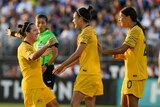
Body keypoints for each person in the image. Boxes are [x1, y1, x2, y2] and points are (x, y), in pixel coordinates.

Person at [53, 6, 103, 107]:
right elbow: (80, 57)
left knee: (74, 104)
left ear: (80, 19)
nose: (73, 20)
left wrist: (62, 65)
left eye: (74, 18)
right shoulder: (92, 31)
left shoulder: (85, 33)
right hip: (95, 73)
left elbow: (77, 54)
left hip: (86, 73)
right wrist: (66, 67)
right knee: (90, 104)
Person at [100, 7, 148, 107]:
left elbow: (122, 49)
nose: (119, 19)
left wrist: (103, 51)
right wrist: (120, 55)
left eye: (121, 17)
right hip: (130, 74)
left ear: (128, 17)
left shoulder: (135, 31)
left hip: (136, 75)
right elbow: (132, 53)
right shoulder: (133, 30)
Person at [16, 22, 59, 107]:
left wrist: (42, 58)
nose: (38, 32)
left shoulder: (31, 47)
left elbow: (33, 60)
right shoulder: (23, 47)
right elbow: (32, 57)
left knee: (54, 105)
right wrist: (46, 45)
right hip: (32, 86)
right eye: (35, 30)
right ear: (27, 33)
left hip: (40, 84)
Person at [34, 14, 59, 89]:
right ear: (35, 23)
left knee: (47, 95)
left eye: (43, 23)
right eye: (38, 22)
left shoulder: (50, 36)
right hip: (36, 67)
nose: (40, 25)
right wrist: (12, 33)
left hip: (47, 68)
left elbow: (55, 54)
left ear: (46, 24)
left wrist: (46, 65)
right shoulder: (34, 35)